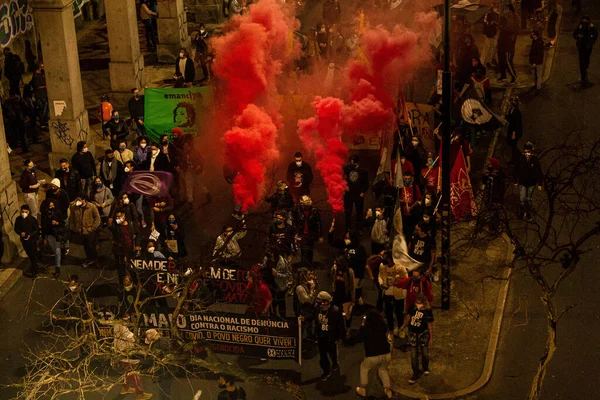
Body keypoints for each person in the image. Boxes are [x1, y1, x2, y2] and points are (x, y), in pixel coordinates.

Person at [352, 309, 393, 398]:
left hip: (373, 355)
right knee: (383, 370)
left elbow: (357, 339)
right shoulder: (382, 326)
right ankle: (388, 390)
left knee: (364, 368)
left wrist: (362, 326)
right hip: (386, 353)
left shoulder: (366, 329)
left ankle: (363, 389)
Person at [113, 320, 153, 399]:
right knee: (134, 374)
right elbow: (131, 337)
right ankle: (140, 394)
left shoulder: (117, 330)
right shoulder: (122, 329)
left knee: (127, 373)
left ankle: (125, 388)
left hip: (123, 354)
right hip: (127, 355)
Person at [402, 293, 434, 384]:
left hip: (423, 334)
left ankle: (425, 367)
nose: (417, 304)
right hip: (413, 334)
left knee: (425, 353)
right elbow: (408, 317)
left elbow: (430, 325)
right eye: (416, 302)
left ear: (424, 303)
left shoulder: (427, 311)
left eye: (419, 303)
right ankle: (415, 373)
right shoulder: (413, 308)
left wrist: (431, 338)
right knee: (413, 355)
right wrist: (403, 326)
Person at [314, 291, 344, 381]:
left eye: (320, 301)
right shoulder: (317, 308)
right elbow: (312, 315)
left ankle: (335, 363)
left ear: (326, 302)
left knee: (332, 353)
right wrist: (304, 318)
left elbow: (340, 325)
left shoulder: (335, 311)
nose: (318, 303)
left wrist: (339, 337)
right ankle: (326, 371)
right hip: (321, 336)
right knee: (323, 355)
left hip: (331, 338)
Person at [69, 194, 101, 267]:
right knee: (86, 246)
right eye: (77, 200)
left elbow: (97, 218)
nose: (77, 201)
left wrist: (93, 228)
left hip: (89, 230)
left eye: (79, 200)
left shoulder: (91, 207)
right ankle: (90, 259)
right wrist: (74, 228)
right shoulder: (75, 207)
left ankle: (93, 259)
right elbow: (72, 218)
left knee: (91, 246)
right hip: (81, 231)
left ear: (84, 200)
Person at [378, 257, 408, 335]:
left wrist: (399, 280)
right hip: (387, 292)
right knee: (388, 313)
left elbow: (406, 279)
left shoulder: (400, 267)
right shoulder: (382, 266)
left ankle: (400, 329)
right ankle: (391, 330)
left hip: (398, 293)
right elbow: (380, 276)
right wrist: (381, 284)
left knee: (399, 313)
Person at [514, 142, 543, 221]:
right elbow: (517, 170)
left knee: (528, 199)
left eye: (528, 152)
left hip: (531, 183)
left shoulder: (535, 160)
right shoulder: (521, 159)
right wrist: (516, 181)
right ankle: (522, 212)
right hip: (523, 182)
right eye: (525, 152)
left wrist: (540, 183)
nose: (527, 154)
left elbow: (539, 171)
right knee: (522, 199)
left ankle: (528, 213)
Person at [293, 195, 323, 268]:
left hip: (311, 233)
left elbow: (318, 223)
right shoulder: (298, 210)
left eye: (303, 203)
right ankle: (303, 264)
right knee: (303, 249)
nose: (301, 205)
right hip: (302, 233)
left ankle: (309, 265)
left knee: (310, 250)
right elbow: (296, 222)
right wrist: (295, 233)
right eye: (301, 203)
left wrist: (320, 235)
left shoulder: (314, 211)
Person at [41, 199, 67, 279]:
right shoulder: (44, 215)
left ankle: (57, 269)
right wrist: (44, 237)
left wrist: (57, 223)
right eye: (50, 206)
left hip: (56, 235)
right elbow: (43, 226)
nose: (52, 207)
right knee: (54, 251)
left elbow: (63, 223)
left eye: (53, 205)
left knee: (57, 251)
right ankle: (61, 257)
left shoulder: (58, 213)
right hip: (49, 235)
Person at [110, 211, 139, 283]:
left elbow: (137, 234)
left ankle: (135, 282)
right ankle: (123, 284)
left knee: (133, 269)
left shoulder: (131, 225)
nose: (117, 219)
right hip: (121, 252)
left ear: (123, 217)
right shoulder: (116, 227)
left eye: (119, 217)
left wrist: (137, 245)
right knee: (122, 270)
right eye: (116, 217)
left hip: (132, 251)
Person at [329, 256, 355, 336]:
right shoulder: (334, 270)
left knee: (348, 314)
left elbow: (352, 286)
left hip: (346, 295)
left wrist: (353, 299)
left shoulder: (349, 272)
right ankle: (338, 328)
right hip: (337, 294)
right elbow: (332, 281)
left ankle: (348, 328)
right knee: (336, 312)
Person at [343, 155, 369, 230]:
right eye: (351, 162)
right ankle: (347, 228)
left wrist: (363, 192)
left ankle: (359, 228)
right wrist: (344, 185)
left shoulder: (363, 171)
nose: (353, 165)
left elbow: (366, 183)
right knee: (347, 212)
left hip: (358, 194)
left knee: (359, 213)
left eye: (354, 163)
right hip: (349, 194)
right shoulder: (348, 169)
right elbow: (341, 175)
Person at [14, 204, 40, 278]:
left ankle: (34, 271)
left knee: (33, 255)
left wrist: (30, 235)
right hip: (24, 241)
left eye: (26, 212)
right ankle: (35, 265)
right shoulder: (18, 219)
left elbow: (36, 230)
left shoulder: (32, 220)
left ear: (28, 212)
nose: (24, 213)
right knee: (30, 254)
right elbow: (16, 228)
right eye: (22, 211)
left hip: (32, 241)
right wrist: (20, 233)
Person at [573, 16, 598, 85]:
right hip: (581, 47)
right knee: (582, 62)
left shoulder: (591, 27)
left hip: (588, 47)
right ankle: (584, 77)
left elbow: (595, 35)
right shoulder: (580, 26)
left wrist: (591, 40)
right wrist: (578, 36)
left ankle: (584, 74)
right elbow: (574, 34)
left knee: (586, 61)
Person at [399, 171, 421, 239]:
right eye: (406, 179)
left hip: (412, 214)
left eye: (409, 179)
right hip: (403, 215)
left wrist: (411, 207)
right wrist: (402, 201)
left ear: (411, 178)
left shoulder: (415, 187)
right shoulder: (401, 188)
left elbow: (418, 200)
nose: (407, 180)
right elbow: (397, 200)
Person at [497, 12, 518, 84]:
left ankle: (513, 76)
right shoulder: (503, 31)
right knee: (501, 62)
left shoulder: (507, 31)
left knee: (508, 63)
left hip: (507, 49)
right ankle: (503, 76)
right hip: (502, 49)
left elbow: (509, 41)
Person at [505, 96, 523, 165]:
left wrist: (514, 133)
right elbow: (509, 117)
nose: (508, 103)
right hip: (511, 129)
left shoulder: (517, 113)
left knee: (514, 146)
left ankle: (514, 159)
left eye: (509, 102)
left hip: (515, 131)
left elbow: (517, 124)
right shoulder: (511, 110)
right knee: (511, 143)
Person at [31, 63, 48, 128]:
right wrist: (45, 86)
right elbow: (37, 86)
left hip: (43, 94)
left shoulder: (41, 74)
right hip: (40, 95)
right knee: (42, 110)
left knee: (45, 109)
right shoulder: (36, 76)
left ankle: (45, 121)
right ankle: (42, 123)